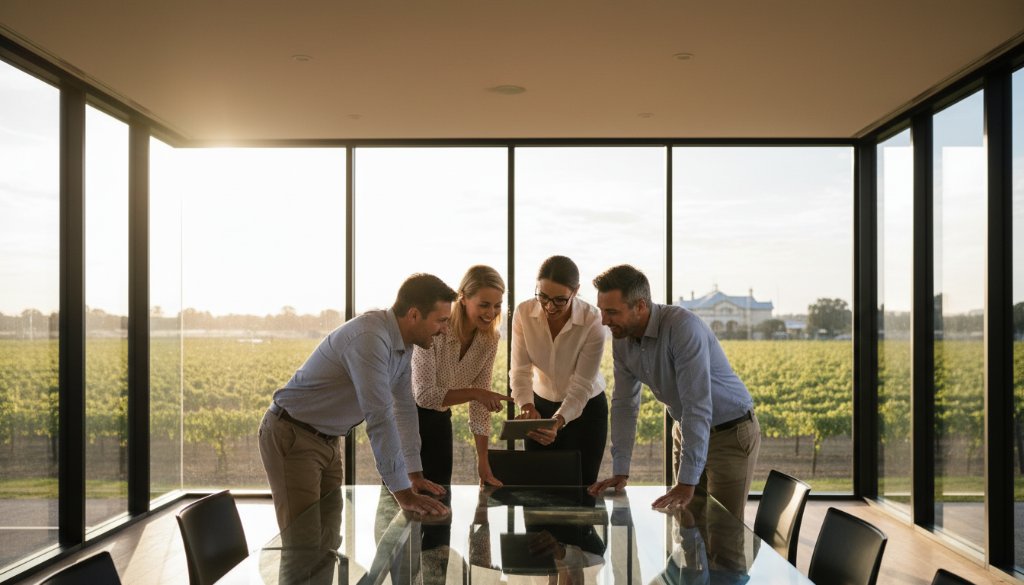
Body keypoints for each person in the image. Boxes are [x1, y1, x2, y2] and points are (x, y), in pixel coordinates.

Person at [258, 273, 454, 532]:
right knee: (303, 546)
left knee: (328, 540)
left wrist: (414, 473)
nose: (445, 330)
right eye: (441, 321)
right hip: (294, 435)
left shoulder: (404, 345)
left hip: (327, 441)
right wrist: (404, 494)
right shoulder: (370, 338)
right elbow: (381, 418)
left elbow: (404, 409)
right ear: (414, 315)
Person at [588, 265, 760, 522]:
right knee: (687, 528)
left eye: (612, 312)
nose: (604, 320)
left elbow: (697, 405)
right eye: (602, 311)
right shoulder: (621, 339)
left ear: (641, 306)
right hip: (686, 428)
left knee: (725, 535)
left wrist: (687, 481)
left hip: (729, 434)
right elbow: (624, 404)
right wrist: (621, 470)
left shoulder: (682, 327)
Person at [510, 255, 607, 485]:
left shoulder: (592, 320)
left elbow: (582, 385)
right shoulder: (523, 313)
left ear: (576, 291)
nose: (549, 306)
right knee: (537, 492)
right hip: (538, 407)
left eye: (559, 300)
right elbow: (520, 370)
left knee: (581, 492)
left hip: (586, 411)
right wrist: (526, 406)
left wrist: (559, 420)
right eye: (542, 296)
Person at [412, 265, 512, 487]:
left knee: (440, 505)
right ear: (463, 298)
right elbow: (424, 395)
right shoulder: (436, 328)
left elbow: (479, 405)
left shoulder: (489, 340)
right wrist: (476, 393)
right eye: (484, 305)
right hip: (407, 420)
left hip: (439, 421)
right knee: (399, 511)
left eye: (497, 305)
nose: (491, 312)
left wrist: (483, 460)